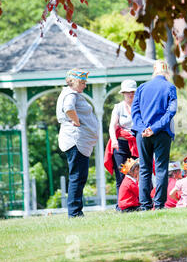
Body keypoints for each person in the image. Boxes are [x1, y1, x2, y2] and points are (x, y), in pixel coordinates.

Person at [132, 60, 178, 210]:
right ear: (166, 73)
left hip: (143, 134)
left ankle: (145, 204)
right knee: (161, 169)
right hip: (161, 133)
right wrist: (155, 128)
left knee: (144, 168)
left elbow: (135, 111)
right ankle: (158, 204)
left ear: (154, 72)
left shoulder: (141, 88)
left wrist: (143, 128)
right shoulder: (170, 87)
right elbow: (171, 111)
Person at [56, 68, 98, 218]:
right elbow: (68, 108)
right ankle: (74, 213)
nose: (85, 85)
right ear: (74, 82)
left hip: (78, 141)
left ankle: (76, 211)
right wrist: (76, 121)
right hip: (75, 141)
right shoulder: (70, 94)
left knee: (80, 176)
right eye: (83, 82)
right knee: (77, 176)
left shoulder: (72, 94)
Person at [104, 79, 139, 205]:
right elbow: (112, 126)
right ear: (123, 93)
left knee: (139, 173)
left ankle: (140, 202)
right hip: (121, 143)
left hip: (137, 143)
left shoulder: (140, 106)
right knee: (121, 174)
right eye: (127, 92)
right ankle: (122, 204)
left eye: (133, 92)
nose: (130, 94)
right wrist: (113, 140)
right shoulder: (118, 107)